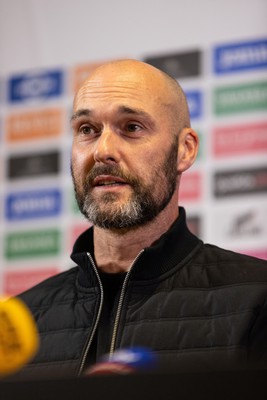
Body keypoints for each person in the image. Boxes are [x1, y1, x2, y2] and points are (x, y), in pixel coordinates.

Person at [14, 59, 267, 380]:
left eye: (132, 127)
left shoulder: (256, 300)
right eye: (87, 130)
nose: (103, 150)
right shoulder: (22, 324)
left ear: (184, 150)